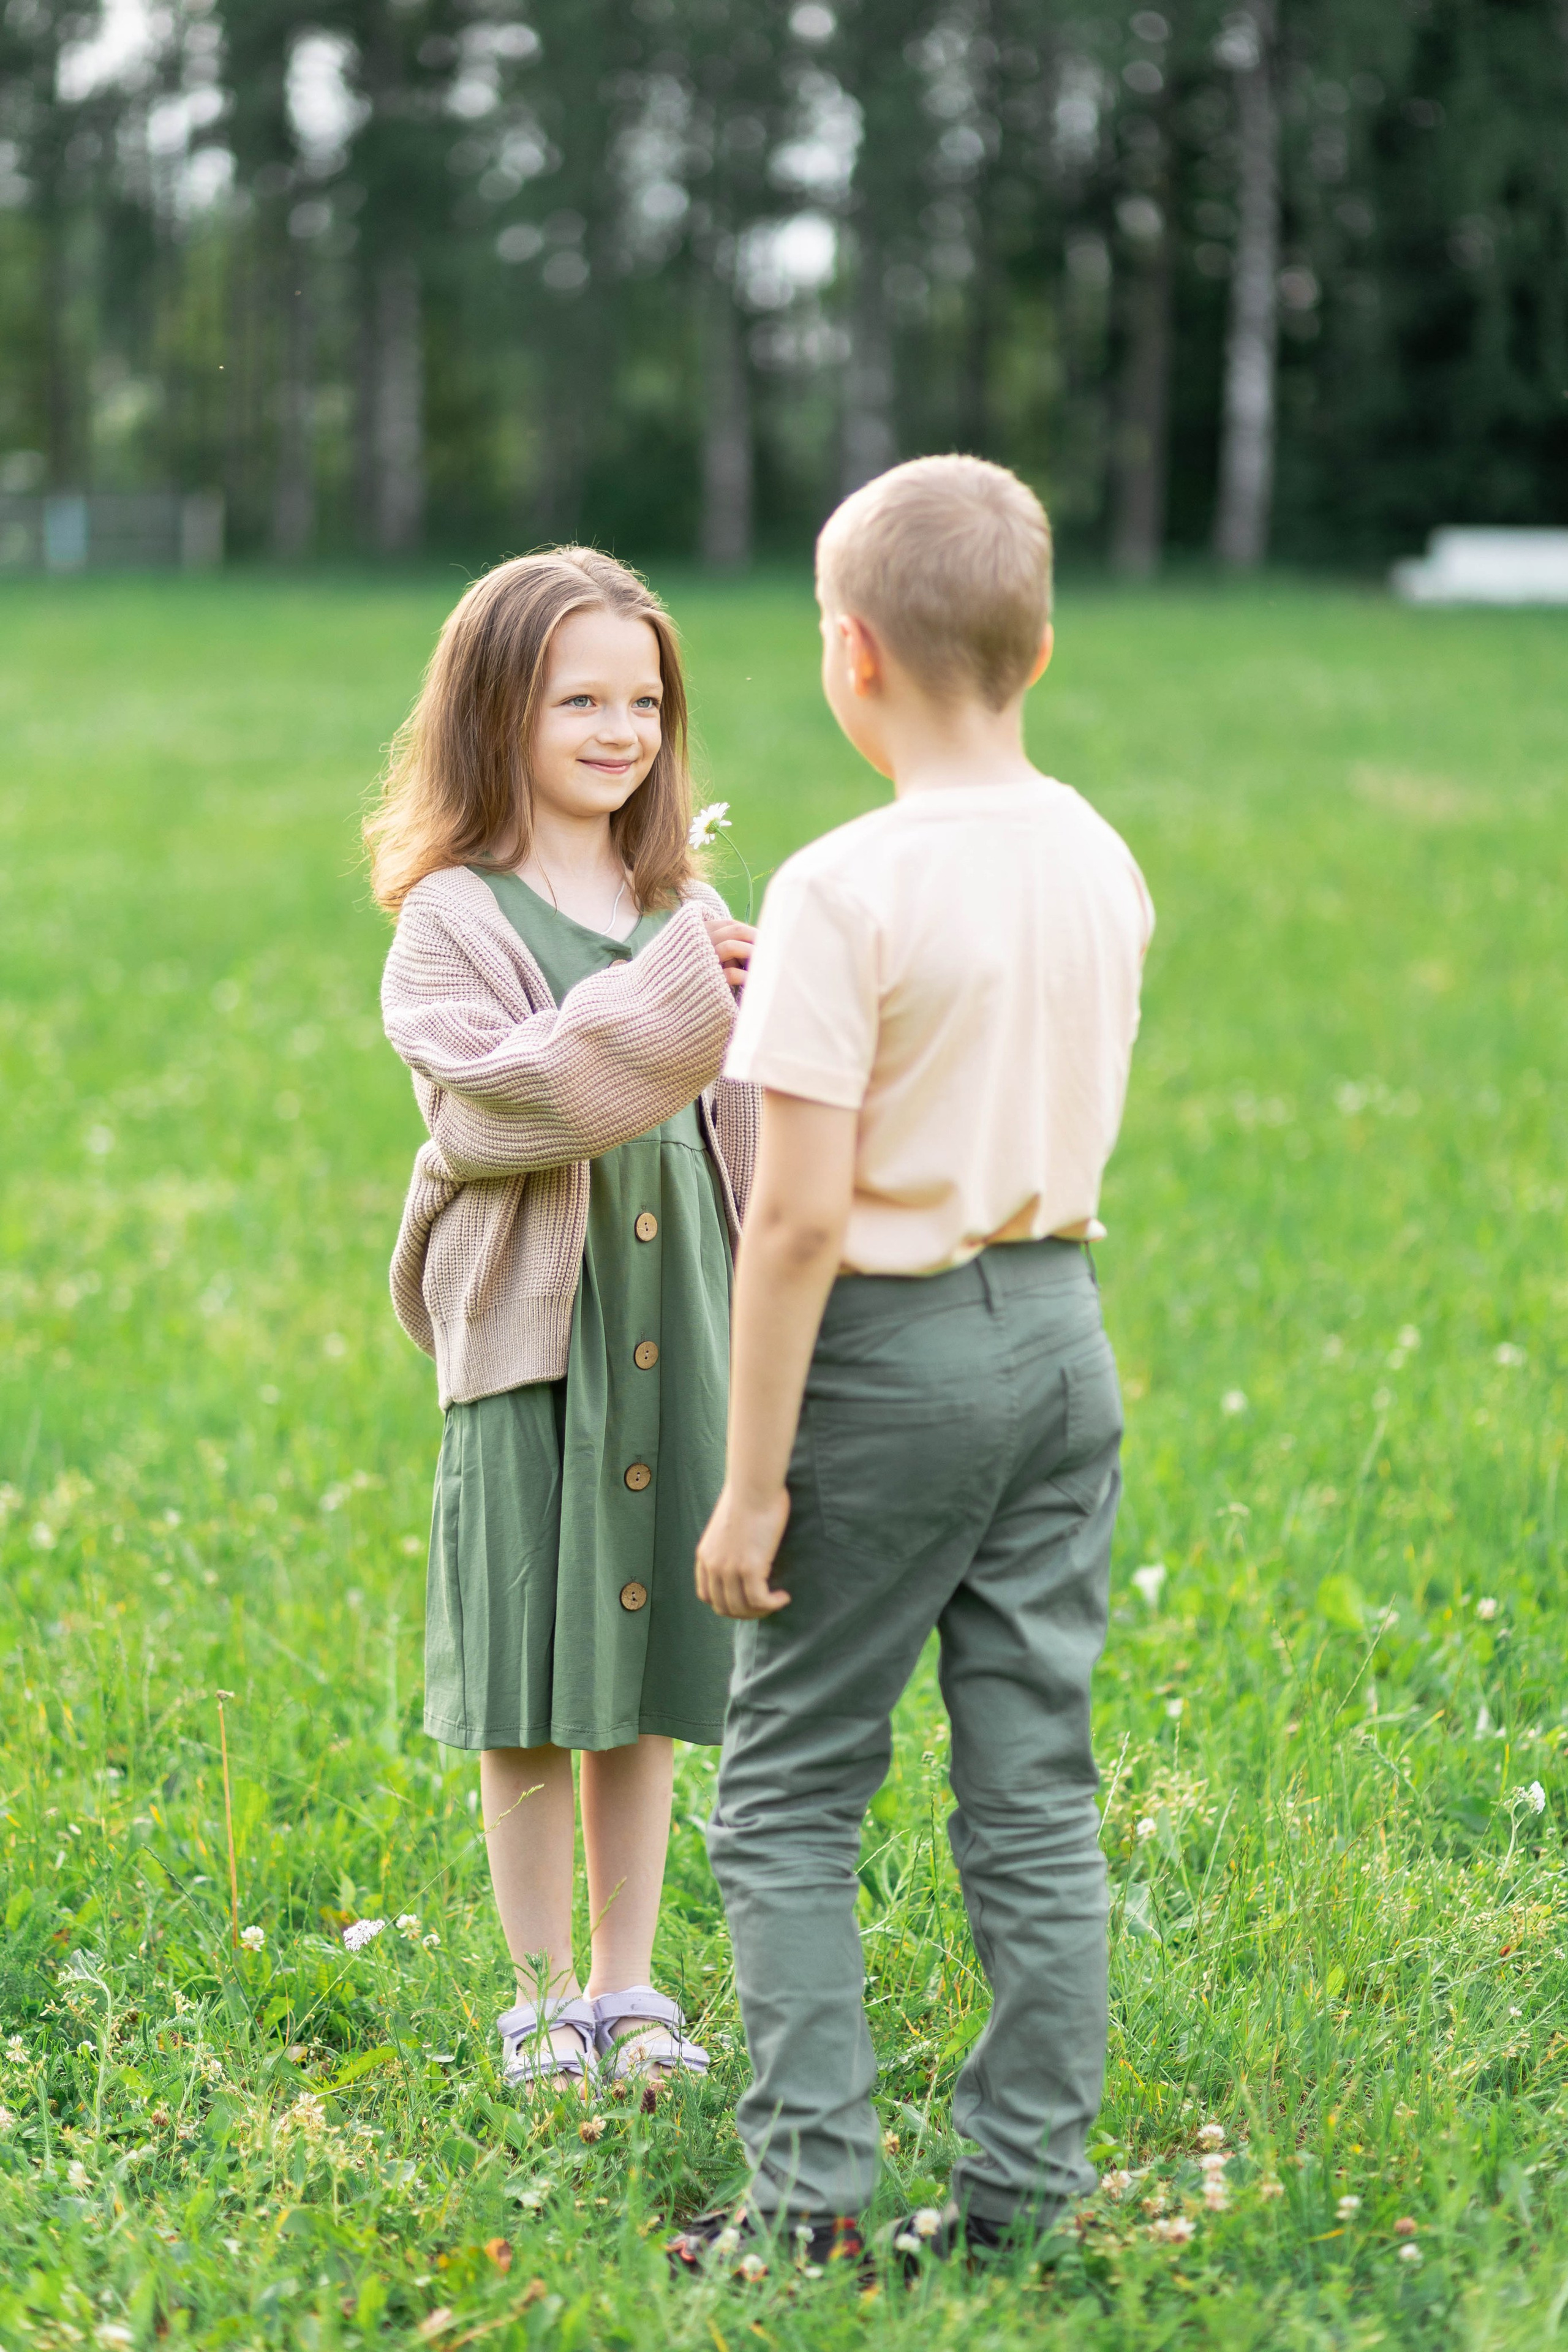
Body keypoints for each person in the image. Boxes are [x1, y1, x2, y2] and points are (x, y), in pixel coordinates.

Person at [674, 456, 1154, 2273]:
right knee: (1031, 1787)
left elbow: (794, 1222)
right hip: (1060, 1334)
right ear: (1036, 651)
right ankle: (1026, 2193)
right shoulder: (1100, 854)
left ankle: (810, 2207)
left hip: (886, 1356)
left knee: (792, 1787)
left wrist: (749, 1477)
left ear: (849, 655)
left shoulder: (840, 886)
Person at [368, 549, 757, 2097]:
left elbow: (741, 1129)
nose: (621, 728)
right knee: (533, 1664)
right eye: (578, 696)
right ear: (491, 712)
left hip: (678, 1315)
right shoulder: (452, 919)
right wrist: (670, 998)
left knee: (643, 1658)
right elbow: (496, 1104)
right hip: (538, 1336)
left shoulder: (679, 904)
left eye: (644, 699)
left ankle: (625, 1981)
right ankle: (538, 1997)